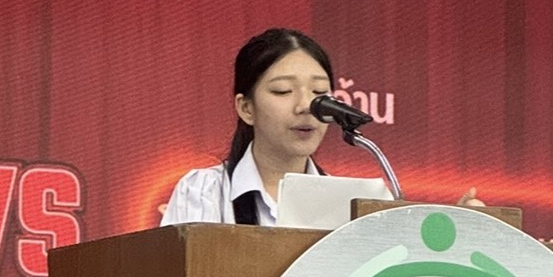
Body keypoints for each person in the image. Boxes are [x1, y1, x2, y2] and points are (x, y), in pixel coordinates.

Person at [160, 28, 482, 227]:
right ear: (246, 108)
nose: (306, 106)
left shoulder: (355, 202)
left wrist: (457, 231)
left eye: (319, 92)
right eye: (283, 91)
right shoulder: (204, 192)